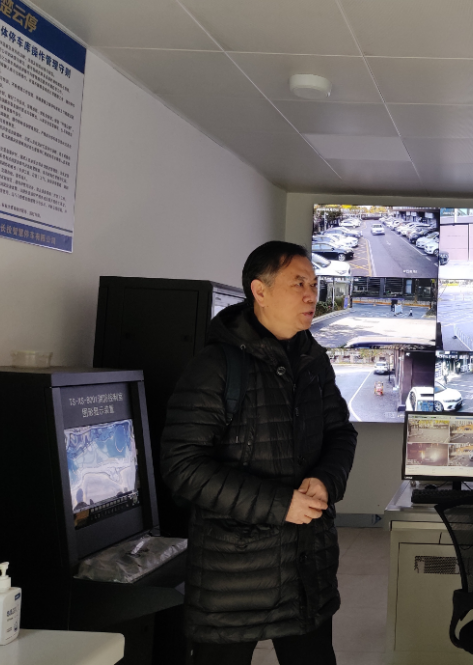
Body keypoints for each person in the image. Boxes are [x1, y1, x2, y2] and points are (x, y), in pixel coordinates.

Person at [162, 241, 358, 665]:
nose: (311, 294)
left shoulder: (313, 361)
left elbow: (341, 433)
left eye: (314, 284)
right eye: (298, 283)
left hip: (307, 567)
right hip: (235, 579)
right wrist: (280, 504)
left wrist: (327, 479)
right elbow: (183, 466)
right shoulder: (216, 366)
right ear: (260, 291)